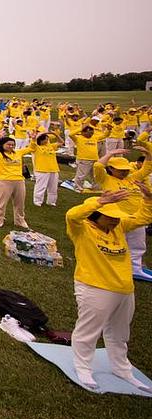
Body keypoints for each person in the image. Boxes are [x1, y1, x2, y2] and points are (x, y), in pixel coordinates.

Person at [65, 187, 152, 391]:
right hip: (94, 286)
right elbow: (72, 215)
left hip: (124, 289)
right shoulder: (82, 228)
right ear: (96, 215)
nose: (114, 221)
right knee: (89, 331)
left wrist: (148, 200)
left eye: (116, 218)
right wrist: (98, 202)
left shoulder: (119, 228)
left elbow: (142, 218)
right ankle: (83, 367)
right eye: (109, 217)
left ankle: (121, 368)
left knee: (120, 333)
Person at [93, 145, 152, 278]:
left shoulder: (132, 178)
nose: (124, 172)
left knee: (138, 244)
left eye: (126, 170)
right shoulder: (105, 179)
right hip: (116, 218)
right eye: (121, 170)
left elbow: (147, 168)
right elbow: (97, 166)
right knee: (113, 243)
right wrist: (111, 153)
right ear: (111, 169)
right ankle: (108, 267)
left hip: (136, 216)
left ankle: (135, 268)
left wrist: (148, 154)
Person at [31, 131, 62, 207]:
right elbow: (33, 143)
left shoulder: (51, 146)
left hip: (54, 169)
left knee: (53, 187)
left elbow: (61, 142)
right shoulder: (36, 148)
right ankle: (37, 201)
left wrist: (55, 134)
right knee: (41, 186)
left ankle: (51, 201)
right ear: (41, 140)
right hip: (42, 170)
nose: (48, 140)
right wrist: (42, 134)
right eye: (46, 139)